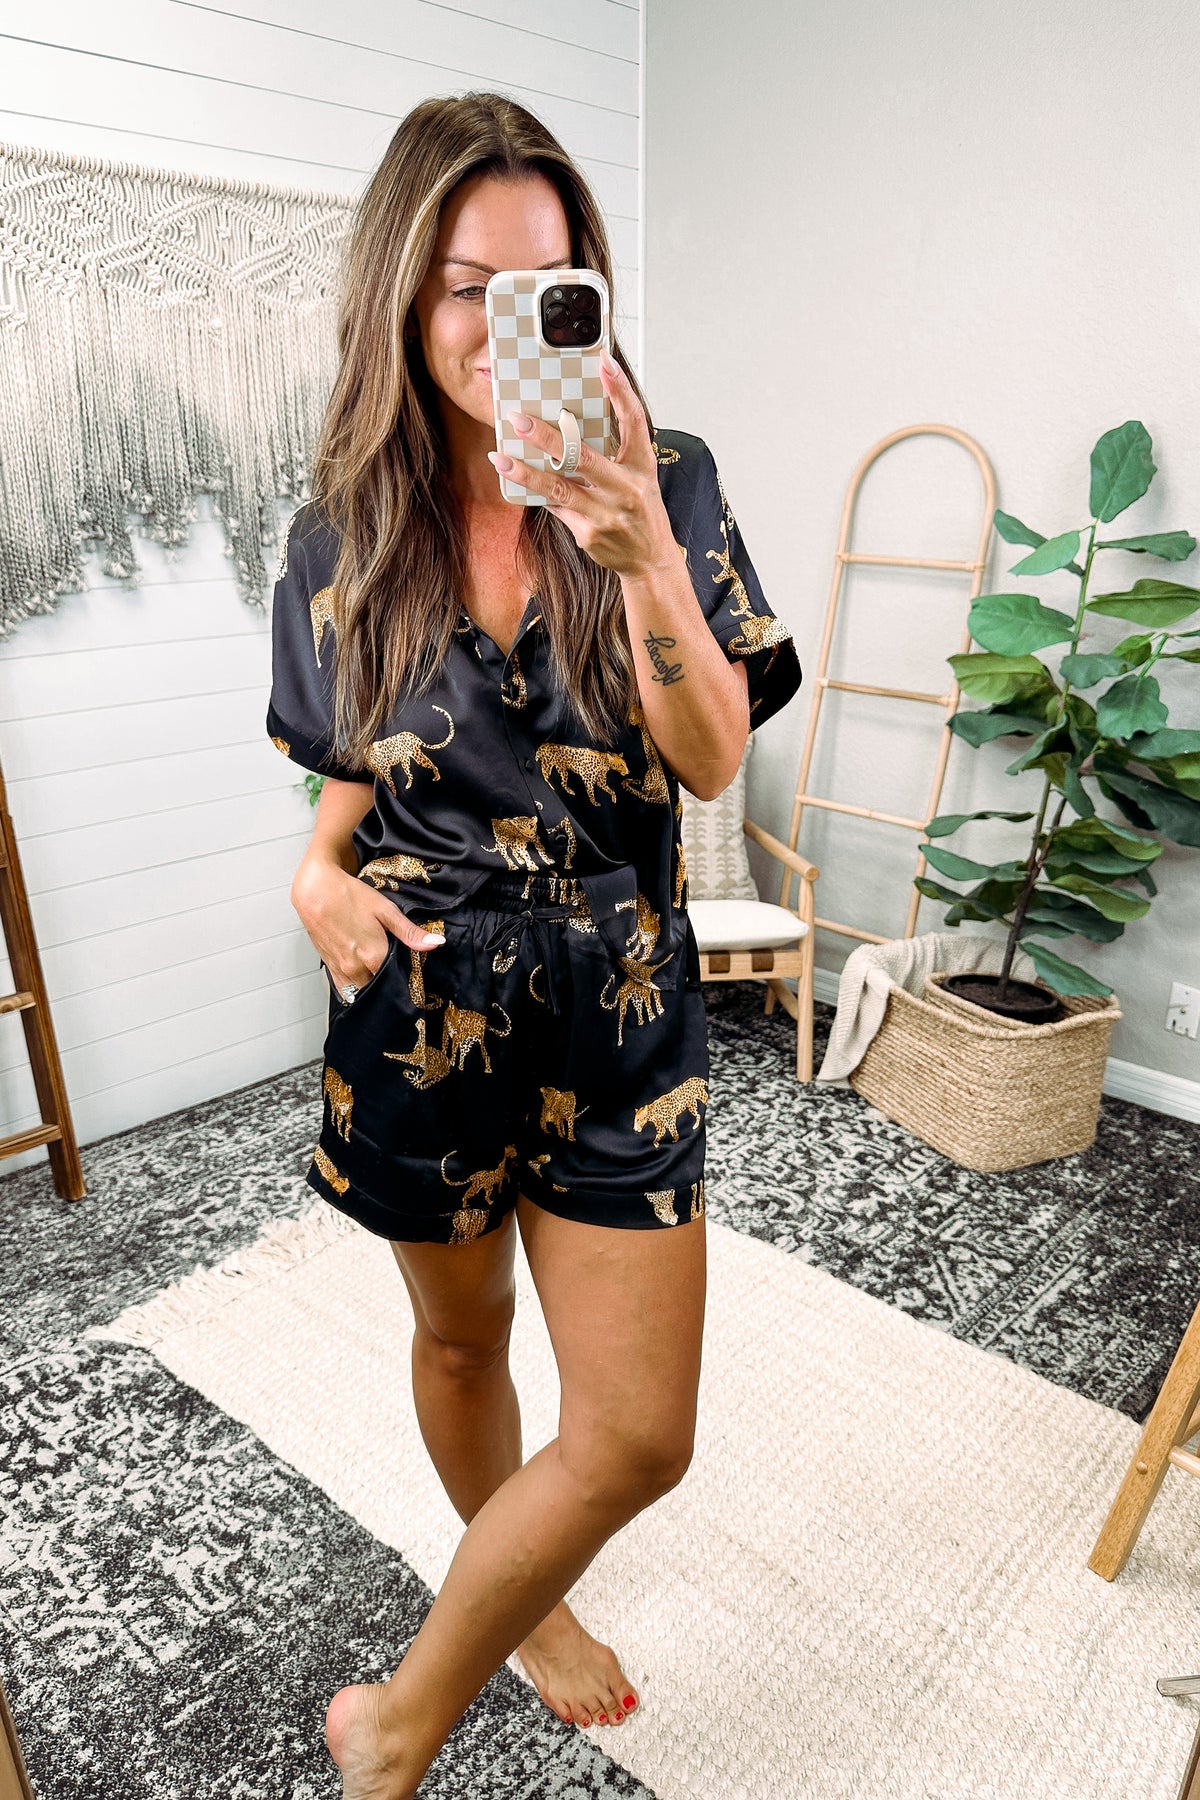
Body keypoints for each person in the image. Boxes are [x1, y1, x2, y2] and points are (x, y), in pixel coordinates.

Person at [266, 91, 802, 1800]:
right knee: (460, 1342)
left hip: (620, 997)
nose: (511, 328)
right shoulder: (342, 531)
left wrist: (637, 553)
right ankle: (529, 1605)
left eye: (550, 287)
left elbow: (707, 760)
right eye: (468, 290)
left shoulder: (669, 477)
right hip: (420, 996)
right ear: (402, 298)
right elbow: (352, 761)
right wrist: (312, 874)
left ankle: (399, 1715)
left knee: (638, 1432)